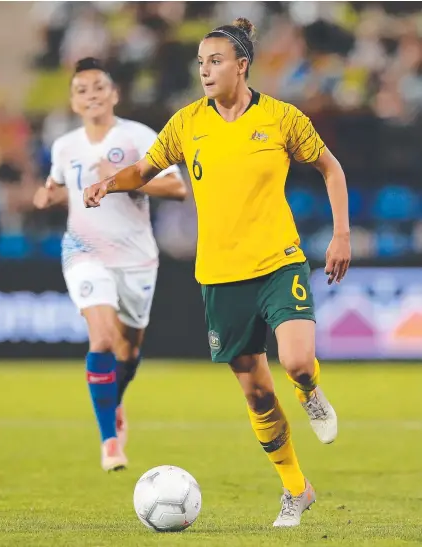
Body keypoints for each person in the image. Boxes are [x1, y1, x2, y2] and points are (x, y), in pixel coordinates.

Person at [84, 18, 351, 527]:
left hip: (279, 261)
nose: (205, 70)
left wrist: (341, 234)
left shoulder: (282, 118)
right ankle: (296, 488)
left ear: (241, 65)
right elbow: (144, 171)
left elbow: (330, 168)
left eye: (215, 61)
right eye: (201, 63)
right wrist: (108, 186)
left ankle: (311, 392)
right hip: (220, 276)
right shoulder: (187, 123)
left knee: (296, 361)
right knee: (255, 391)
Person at [33, 57, 186, 472]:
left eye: (99, 87)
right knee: (101, 340)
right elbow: (59, 188)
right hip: (84, 251)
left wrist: (125, 176)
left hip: (136, 257)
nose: (91, 95)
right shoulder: (65, 147)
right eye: (82, 90)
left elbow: (177, 188)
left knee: (128, 351)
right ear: (73, 101)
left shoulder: (139, 137)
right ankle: (109, 442)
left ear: (114, 94)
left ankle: (114, 401)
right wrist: (47, 196)